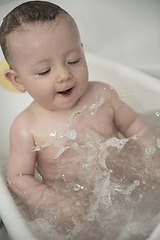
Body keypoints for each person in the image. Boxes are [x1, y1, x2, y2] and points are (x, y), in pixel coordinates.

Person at [0, 0, 157, 231]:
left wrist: (151, 157)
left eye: (74, 60)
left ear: (83, 51)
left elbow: (135, 125)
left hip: (127, 184)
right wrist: (53, 202)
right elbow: (19, 177)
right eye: (45, 71)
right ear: (18, 80)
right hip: (73, 206)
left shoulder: (103, 94)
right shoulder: (26, 127)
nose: (64, 74)